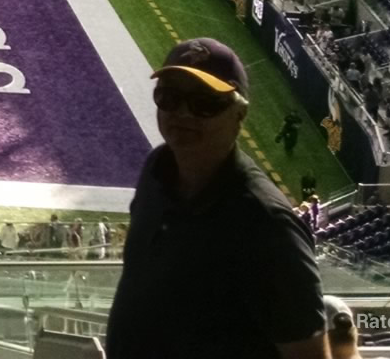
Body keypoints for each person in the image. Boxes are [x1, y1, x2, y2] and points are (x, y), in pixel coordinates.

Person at [104, 38, 327, 359]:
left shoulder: (265, 223)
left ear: (239, 114)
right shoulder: (156, 169)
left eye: (204, 102)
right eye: (169, 96)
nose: (182, 112)